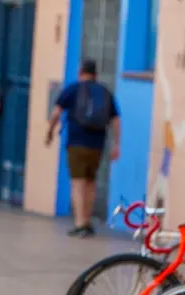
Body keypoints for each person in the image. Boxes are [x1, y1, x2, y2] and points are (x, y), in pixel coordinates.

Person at [47, 59, 121, 237]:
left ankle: (80, 223)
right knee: (90, 182)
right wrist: (116, 145)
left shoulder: (72, 89)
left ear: (81, 72)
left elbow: (56, 112)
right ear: (95, 74)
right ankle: (87, 220)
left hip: (76, 143)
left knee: (78, 183)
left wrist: (49, 132)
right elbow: (116, 120)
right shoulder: (105, 92)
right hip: (97, 144)